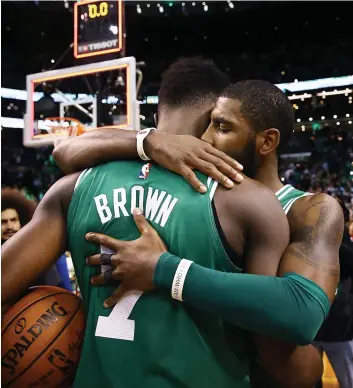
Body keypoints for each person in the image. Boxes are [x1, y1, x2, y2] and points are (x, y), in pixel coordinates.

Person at [3, 59, 328, 388]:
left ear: (156, 116)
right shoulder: (249, 202)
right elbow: (282, 364)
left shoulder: (71, 188)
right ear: (212, 116)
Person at [1, 188, 66, 289]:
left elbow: (56, 287)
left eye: (13, 220)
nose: (10, 226)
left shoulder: (36, 251)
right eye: (3, 222)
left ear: (21, 221)